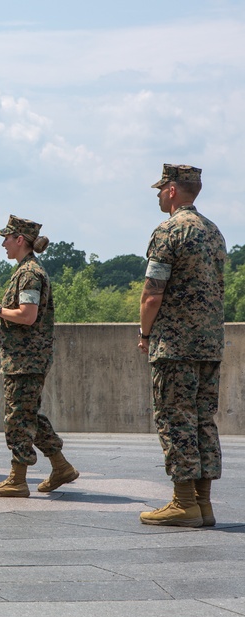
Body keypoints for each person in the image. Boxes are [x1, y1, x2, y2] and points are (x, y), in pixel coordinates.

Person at [138, 164, 226, 528]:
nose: (158, 194)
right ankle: (203, 505)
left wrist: (145, 334)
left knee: (176, 420)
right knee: (203, 420)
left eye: (161, 189)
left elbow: (152, 293)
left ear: (172, 190)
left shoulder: (168, 231)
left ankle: (183, 503)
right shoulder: (214, 232)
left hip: (174, 345)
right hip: (209, 344)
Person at [0, 215, 79, 497]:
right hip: (23, 359)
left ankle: (17, 479)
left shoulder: (29, 274)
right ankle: (61, 467)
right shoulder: (25, 270)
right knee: (28, 417)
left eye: (7, 238)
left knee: (17, 419)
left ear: (20, 240)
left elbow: (27, 315)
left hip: (26, 361)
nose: (3, 243)